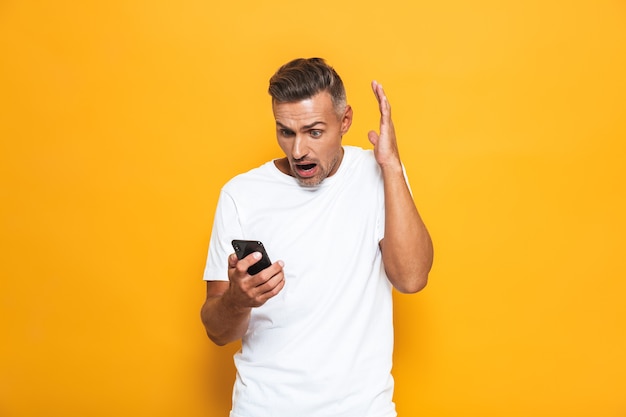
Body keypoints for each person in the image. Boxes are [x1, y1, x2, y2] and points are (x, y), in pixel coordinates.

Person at [200, 57, 433, 417]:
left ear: (345, 122)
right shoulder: (241, 195)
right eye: (286, 132)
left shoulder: (379, 176)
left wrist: (392, 166)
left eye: (314, 132)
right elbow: (217, 331)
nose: (298, 151)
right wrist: (237, 299)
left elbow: (412, 278)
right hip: (263, 408)